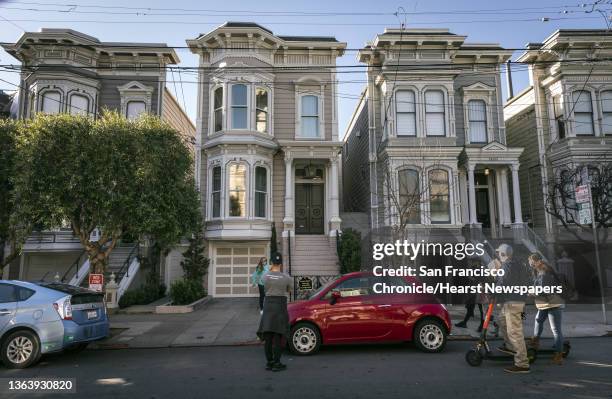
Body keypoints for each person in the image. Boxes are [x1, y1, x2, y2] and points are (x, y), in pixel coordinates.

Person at [494, 244, 531, 374]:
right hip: (513, 300)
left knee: (515, 333)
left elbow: (502, 282)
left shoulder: (507, 266)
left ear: (503, 254)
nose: (498, 255)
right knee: (501, 321)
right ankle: (510, 347)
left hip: (513, 302)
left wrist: (492, 291)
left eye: (499, 253)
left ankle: (522, 364)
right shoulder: (518, 264)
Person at [256, 252, 292, 372]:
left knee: (268, 336)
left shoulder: (264, 276)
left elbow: (264, 289)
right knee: (278, 336)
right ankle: (277, 363)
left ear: (271, 263)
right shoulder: (286, 277)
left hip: (268, 306)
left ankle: (269, 363)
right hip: (280, 306)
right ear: (281, 263)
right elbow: (289, 290)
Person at [528, 253, 565, 365]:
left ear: (538, 261)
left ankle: (558, 355)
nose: (530, 264)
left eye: (531, 261)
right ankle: (535, 341)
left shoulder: (544, 271)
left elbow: (543, 290)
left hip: (552, 303)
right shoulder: (540, 271)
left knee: (556, 330)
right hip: (545, 303)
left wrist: (531, 293)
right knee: (538, 320)